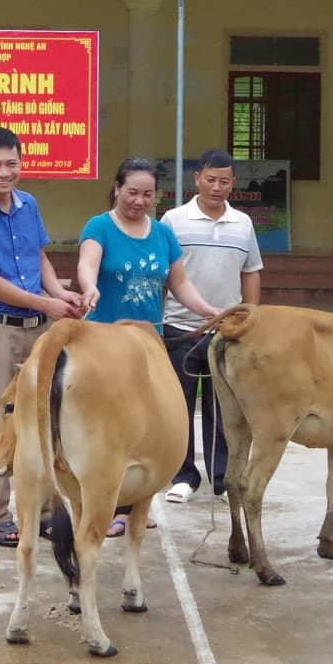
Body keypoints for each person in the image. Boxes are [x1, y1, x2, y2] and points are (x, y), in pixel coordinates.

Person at [0, 126, 84, 548]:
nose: (5, 173)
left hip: (38, 330)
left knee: (44, 420)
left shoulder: (29, 205)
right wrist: (47, 304)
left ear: (21, 163)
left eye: (12, 164)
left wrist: (60, 292)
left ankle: (43, 511)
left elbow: (38, 256)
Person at [79, 157, 222, 536]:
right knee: (107, 429)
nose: (139, 201)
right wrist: (89, 287)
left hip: (148, 345)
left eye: (147, 194)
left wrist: (208, 310)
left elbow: (179, 284)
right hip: (105, 344)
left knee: (142, 428)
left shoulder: (162, 233)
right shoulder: (99, 226)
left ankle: (132, 506)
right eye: (132, 192)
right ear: (116, 188)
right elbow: (88, 264)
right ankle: (104, 506)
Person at [160, 149, 262, 503]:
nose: (217, 187)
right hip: (180, 327)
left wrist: (251, 318)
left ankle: (223, 478)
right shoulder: (173, 220)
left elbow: (250, 272)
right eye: (211, 180)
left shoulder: (243, 223)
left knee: (225, 407)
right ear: (197, 179)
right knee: (179, 404)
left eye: (225, 181)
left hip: (229, 330)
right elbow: (164, 276)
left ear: (233, 183)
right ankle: (182, 475)